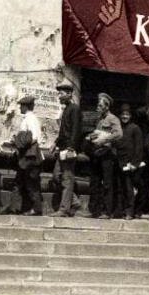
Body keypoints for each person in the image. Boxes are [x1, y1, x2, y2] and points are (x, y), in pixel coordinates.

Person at [3, 95, 44, 216]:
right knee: (20, 182)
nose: (20, 107)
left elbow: (33, 138)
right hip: (27, 155)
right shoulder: (29, 118)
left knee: (30, 183)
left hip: (29, 156)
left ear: (26, 106)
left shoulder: (30, 119)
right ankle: (13, 207)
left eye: (21, 105)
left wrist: (17, 142)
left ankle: (36, 209)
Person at [83, 92, 121, 219]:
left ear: (106, 106)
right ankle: (94, 210)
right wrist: (91, 136)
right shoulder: (99, 120)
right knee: (95, 182)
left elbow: (118, 134)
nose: (97, 107)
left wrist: (104, 140)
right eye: (98, 105)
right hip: (97, 154)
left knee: (107, 184)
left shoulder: (113, 119)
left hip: (107, 155)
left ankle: (106, 211)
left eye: (100, 105)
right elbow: (98, 133)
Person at [50, 80, 85, 217]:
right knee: (56, 177)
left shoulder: (74, 109)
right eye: (59, 93)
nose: (59, 95)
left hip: (68, 150)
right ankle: (74, 201)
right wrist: (55, 143)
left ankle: (64, 209)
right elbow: (64, 131)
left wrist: (71, 147)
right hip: (62, 149)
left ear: (69, 94)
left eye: (61, 93)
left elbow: (76, 130)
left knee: (67, 178)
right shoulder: (66, 109)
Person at [116, 103, 143, 220]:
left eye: (127, 114)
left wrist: (134, 163)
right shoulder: (118, 128)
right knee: (120, 188)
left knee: (129, 189)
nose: (125, 117)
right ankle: (120, 210)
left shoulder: (135, 128)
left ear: (130, 116)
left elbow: (139, 147)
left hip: (129, 164)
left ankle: (129, 212)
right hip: (119, 163)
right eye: (123, 114)